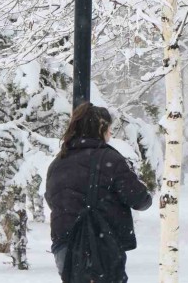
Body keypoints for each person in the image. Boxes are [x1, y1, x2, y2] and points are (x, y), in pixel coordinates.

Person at [45, 103, 153, 282]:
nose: (110, 134)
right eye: (109, 128)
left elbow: (52, 199)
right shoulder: (109, 159)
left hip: (64, 245)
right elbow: (139, 199)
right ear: (101, 128)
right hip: (99, 245)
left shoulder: (58, 162)